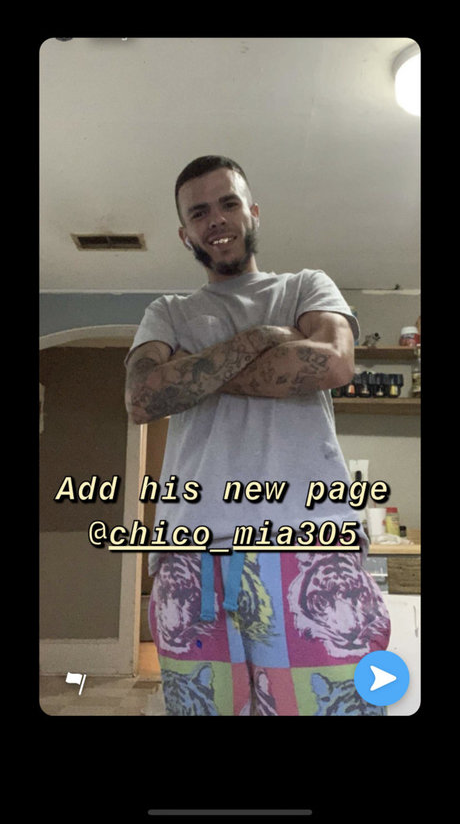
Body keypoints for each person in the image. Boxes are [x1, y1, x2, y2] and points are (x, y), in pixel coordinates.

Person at [125, 155, 391, 716]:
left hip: (309, 541)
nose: (216, 219)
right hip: (192, 551)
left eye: (228, 203)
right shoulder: (168, 312)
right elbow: (143, 397)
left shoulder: (305, 286)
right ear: (184, 233)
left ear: (253, 211)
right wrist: (263, 338)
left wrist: (192, 375)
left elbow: (334, 363)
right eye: (199, 212)